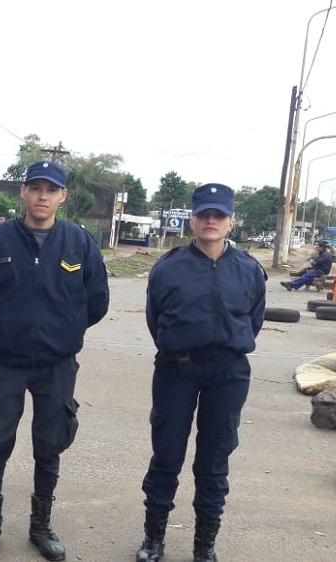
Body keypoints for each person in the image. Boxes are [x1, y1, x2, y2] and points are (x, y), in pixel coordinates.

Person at [0, 160, 109, 561]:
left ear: (62, 196)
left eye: (51, 189)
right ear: (24, 193)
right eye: (35, 188)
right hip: (4, 362)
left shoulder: (79, 243)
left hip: (56, 363)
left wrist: (64, 329)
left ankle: (40, 523)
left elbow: (96, 301)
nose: (42, 196)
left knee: (50, 444)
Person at [136, 183, 265, 562]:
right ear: (192, 220)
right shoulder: (169, 267)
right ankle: (153, 539)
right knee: (167, 454)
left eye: (219, 216)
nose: (211, 221)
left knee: (214, 461)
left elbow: (253, 320)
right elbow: (155, 319)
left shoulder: (248, 270)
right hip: (177, 370)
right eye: (204, 215)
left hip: (228, 374)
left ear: (231, 222)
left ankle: (204, 545)